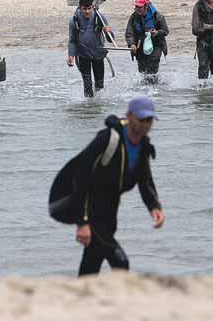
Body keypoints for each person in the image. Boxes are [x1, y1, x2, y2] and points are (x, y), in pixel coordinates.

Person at [49, 96, 164, 276]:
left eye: (149, 119)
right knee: (120, 261)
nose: (145, 124)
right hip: (83, 202)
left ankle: (83, 298)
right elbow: (82, 178)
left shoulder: (143, 146)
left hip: (109, 207)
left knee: (92, 260)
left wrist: (154, 207)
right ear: (129, 116)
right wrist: (82, 222)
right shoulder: (108, 139)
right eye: (141, 119)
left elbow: (145, 179)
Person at [67, 0, 113, 98]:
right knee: (87, 85)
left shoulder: (99, 17)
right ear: (79, 7)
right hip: (83, 55)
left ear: (92, 7)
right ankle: (88, 108)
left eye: (89, 8)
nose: (87, 11)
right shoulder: (74, 21)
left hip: (98, 54)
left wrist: (108, 32)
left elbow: (111, 39)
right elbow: (72, 40)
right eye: (84, 9)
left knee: (100, 85)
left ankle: (98, 108)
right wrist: (71, 55)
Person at [125, 0, 169, 79]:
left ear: (146, 6)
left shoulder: (158, 16)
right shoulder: (133, 17)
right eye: (136, 6)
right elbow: (129, 33)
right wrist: (131, 44)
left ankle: (153, 88)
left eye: (140, 7)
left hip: (156, 45)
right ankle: (144, 90)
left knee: (152, 70)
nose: (138, 9)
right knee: (142, 72)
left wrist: (156, 32)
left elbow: (165, 31)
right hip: (140, 46)